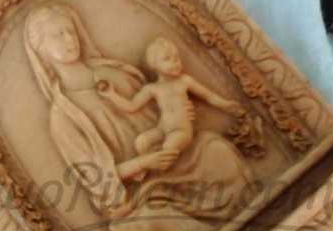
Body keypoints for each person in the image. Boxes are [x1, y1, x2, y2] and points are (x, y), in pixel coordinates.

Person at [23, 4, 254, 231]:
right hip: (140, 193)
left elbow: (159, 112)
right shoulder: (62, 117)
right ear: (40, 50)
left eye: (70, 31)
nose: (69, 39)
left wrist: (178, 115)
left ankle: (252, 222)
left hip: (176, 159)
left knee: (216, 150)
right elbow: (99, 179)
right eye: (57, 35)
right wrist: (145, 163)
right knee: (142, 226)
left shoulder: (116, 73)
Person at [99, 36, 244, 157]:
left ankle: (160, 157)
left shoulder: (184, 81)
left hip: (181, 130)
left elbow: (208, 96)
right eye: (167, 59)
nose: (176, 62)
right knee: (141, 142)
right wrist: (111, 94)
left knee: (169, 146)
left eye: (177, 58)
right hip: (162, 129)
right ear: (154, 64)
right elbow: (132, 106)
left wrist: (226, 104)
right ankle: (149, 167)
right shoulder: (152, 89)